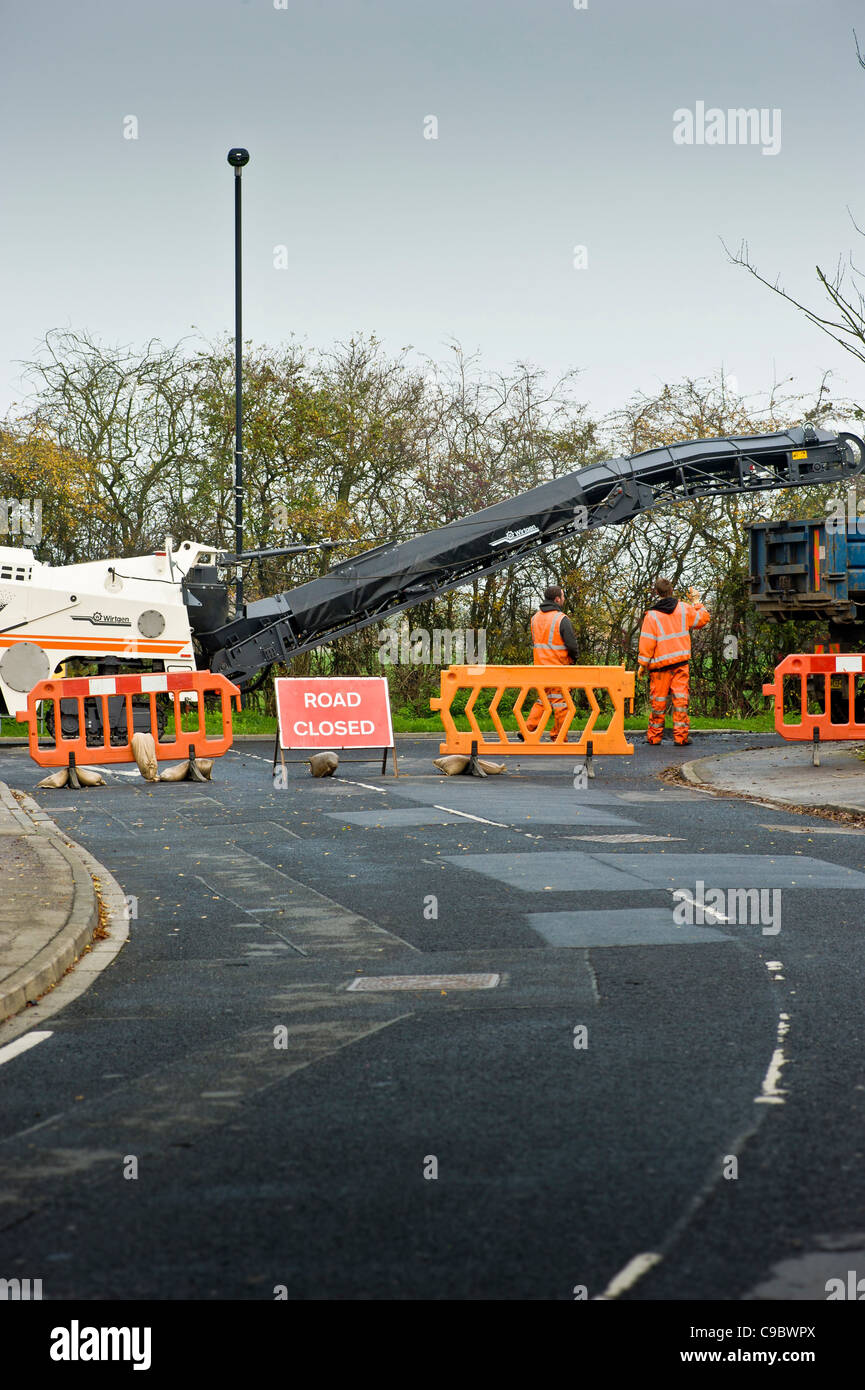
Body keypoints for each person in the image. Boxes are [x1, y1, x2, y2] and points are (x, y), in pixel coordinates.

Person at [637, 578, 710, 746]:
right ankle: (681, 737)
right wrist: (697, 601)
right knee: (681, 702)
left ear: (657, 592)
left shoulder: (652, 616)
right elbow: (703, 619)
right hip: (680, 666)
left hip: (660, 669)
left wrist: (642, 664)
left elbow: (647, 643)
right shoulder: (684, 609)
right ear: (672, 590)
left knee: (658, 704)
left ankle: (654, 737)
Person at [523, 584, 579, 739]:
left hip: (540, 668)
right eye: (562, 597)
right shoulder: (561, 619)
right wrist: (573, 659)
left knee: (543, 700)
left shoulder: (534, 618)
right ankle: (559, 736)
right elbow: (572, 645)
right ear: (557, 599)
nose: (564, 599)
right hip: (558, 668)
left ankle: (528, 729)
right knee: (562, 703)